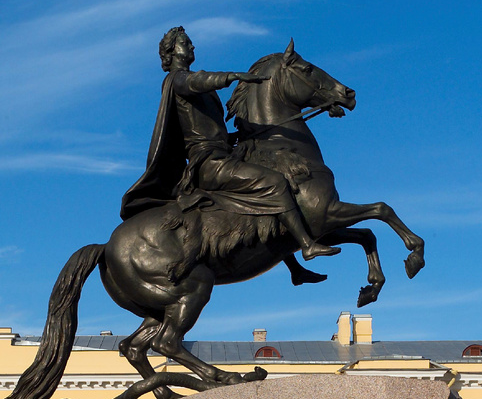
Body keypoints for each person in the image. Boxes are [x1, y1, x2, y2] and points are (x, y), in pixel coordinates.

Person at [120, 27, 339, 263]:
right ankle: (306, 245)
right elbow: (196, 81)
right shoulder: (176, 80)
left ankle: (292, 265)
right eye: (186, 43)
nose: (192, 46)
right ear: (172, 52)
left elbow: (208, 128)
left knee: (269, 181)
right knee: (274, 183)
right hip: (209, 164)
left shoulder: (195, 87)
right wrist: (232, 76)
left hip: (222, 155)